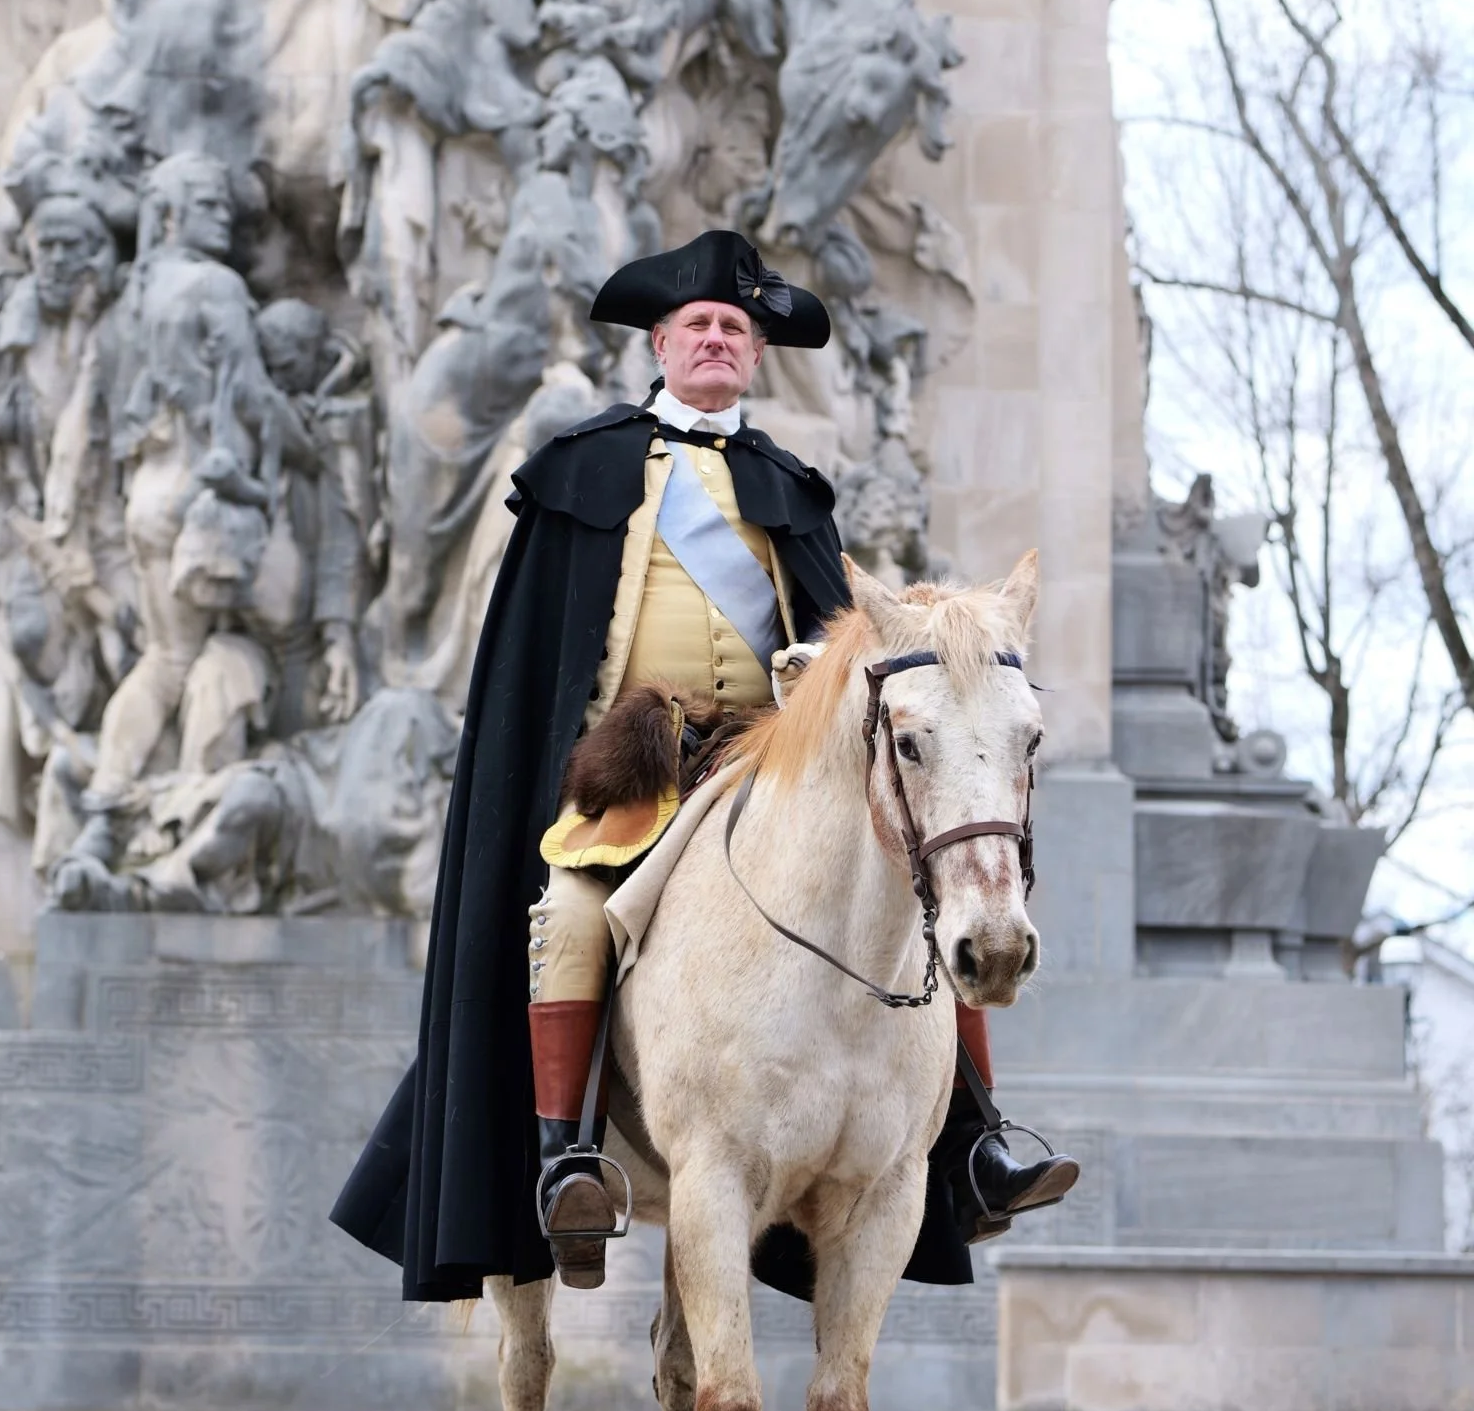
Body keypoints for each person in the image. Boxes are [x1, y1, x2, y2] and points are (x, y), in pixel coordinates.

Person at [332, 229, 1076, 1299]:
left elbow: (850, 644)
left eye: (736, 328)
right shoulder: (579, 472)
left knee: (929, 895)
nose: (718, 341)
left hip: (767, 766)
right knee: (576, 917)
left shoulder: (792, 490)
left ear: (757, 357)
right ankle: (568, 1160)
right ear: (662, 346)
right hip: (629, 766)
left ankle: (976, 1144)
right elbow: (538, 661)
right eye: (699, 327)